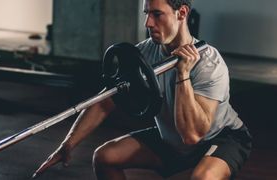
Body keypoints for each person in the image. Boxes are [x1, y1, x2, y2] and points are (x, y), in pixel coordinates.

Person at [33, 0, 252, 179]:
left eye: (157, 14)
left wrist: (182, 73)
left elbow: (193, 135)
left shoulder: (209, 63)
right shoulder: (145, 53)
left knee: (203, 178)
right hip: (171, 139)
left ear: (182, 13)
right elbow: (105, 101)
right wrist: (68, 144)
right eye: (147, 13)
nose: (148, 23)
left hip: (220, 139)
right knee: (105, 157)